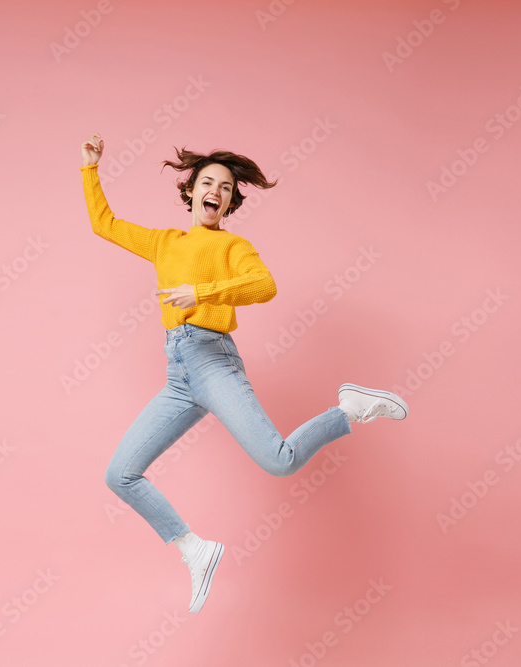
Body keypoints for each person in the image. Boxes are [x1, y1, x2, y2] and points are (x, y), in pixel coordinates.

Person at [79, 132, 408, 614]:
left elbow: (265, 285)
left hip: (212, 359)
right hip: (178, 374)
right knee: (120, 474)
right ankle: (194, 548)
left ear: (230, 202)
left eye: (227, 188)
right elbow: (102, 223)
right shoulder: (163, 243)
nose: (217, 191)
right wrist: (90, 169)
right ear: (190, 191)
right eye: (208, 182)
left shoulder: (234, 246)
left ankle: (349, 409)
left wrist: (202, 293)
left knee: (280, 460)